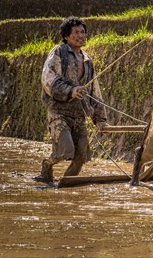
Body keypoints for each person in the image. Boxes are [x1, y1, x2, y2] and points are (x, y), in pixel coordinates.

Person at [35, 16, 108, 184]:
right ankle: (47, 165)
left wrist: (100, 119)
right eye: (76, 32)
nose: (81, 35)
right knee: (65, 150)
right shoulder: (58, 52)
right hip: (59, 112)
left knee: (81, 156)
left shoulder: (88, 61)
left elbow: (94, 91)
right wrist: (71, 90)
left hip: (80, 115)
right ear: (66, 36)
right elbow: (48, 78)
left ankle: (66, 184)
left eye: (83, 32)